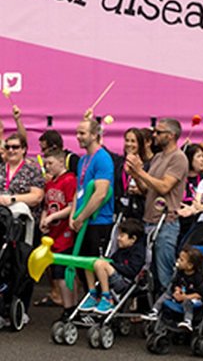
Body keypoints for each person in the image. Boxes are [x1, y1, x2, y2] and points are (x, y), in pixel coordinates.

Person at [126, 118, 189, 290]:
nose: (155, 135)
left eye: (159, 132)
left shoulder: (178, 158)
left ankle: (167, 310)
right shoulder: (158, 157)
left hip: (166, 222)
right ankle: (153, 308)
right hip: (149, 220)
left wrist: (140, 172)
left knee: (164, 271)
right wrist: (136, 175)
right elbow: (147, 189)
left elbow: (164, 187)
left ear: (171, 135)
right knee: (149, 271)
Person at [71, 118, 115, 307]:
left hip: (99, 221)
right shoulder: (83, 160)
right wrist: (73, 216)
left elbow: (100, 194)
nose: (78, 137)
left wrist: (81, 216)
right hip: (83, 221)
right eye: (77, 133)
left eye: (82, 133)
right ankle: (91, 293)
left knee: (97, 261)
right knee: (83, 261)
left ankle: (106, 296)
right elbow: (79, 190)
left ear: (95, 135)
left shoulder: (103, 158)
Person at [38, 149, 77, 316]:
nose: (47, 167)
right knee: (57, 272)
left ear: (61, 162)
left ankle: (70, 308)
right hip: (53, 234)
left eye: (50, 163)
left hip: (65, 233)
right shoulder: (50, 183)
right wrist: (44, 219)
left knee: (63, 272)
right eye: (46, 164)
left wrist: (53, 216)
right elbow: (47, 206)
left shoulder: (69, 180)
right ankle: (68, 306)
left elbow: (71, 206)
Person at [86, 219, 146, 314]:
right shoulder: (120, 251)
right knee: (89, 263)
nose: (118, 238)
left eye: (122, 236)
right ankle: (92, 294)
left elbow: (132, 271)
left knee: (101, 264)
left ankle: (107, 298)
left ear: (133, 239)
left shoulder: (137, 252)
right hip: (114, 276)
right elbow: (112, 260)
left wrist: (111, 264)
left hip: (125, 281)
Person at [147, 246, 203, 332]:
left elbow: (201, 294)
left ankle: (187, 320)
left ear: (190, 265)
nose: (178, 261)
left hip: (192, 298)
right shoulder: (180, 272)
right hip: (180, 294)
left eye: (181, 260)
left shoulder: (198, 277)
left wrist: (185, 297)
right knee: (167, 293)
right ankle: (155, 310)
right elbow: (175, 283)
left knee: (188, 302)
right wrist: (176, 290)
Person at [1, 132, 45, 220]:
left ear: (24, 149)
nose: (10, 150)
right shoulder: (1, 168)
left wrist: (12, 199)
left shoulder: (33, 170)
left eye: (15, 147)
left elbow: (37, 197)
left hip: (23, 222)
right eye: (7, 147)